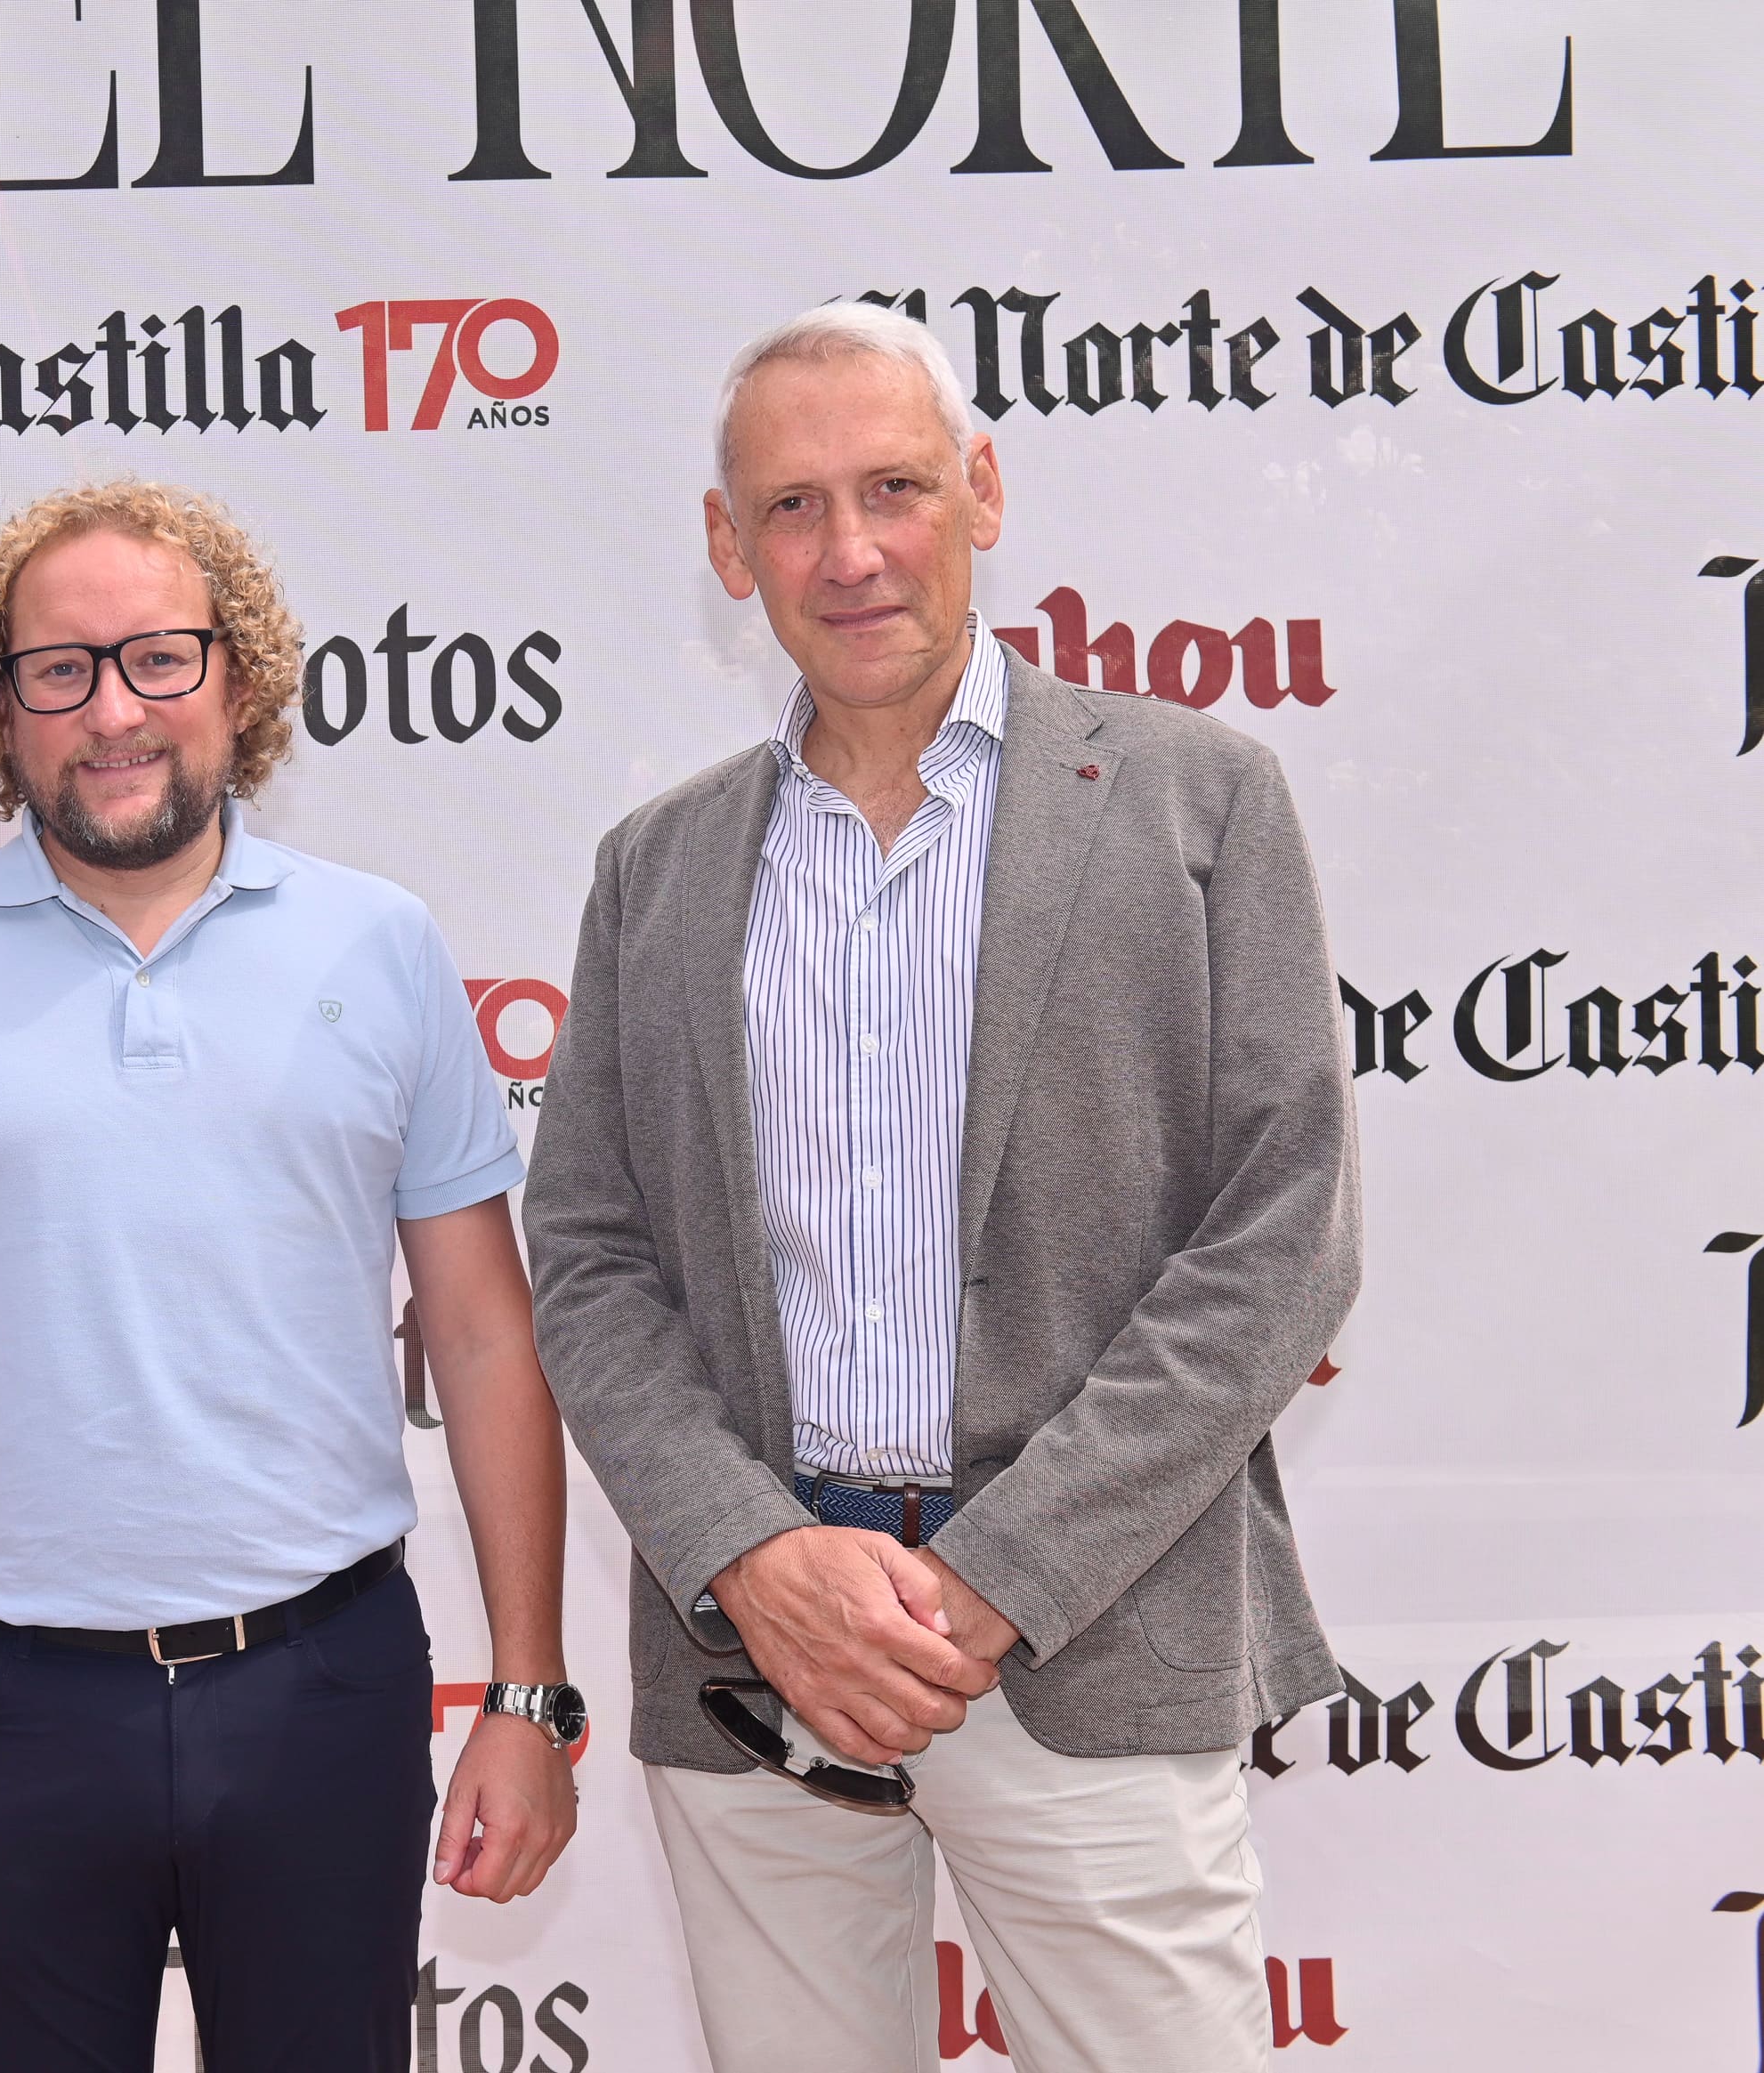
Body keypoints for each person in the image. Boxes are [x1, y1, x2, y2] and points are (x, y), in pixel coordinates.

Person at [522, 302, 1360, 2073]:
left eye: (892, 486)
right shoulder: (652, 867)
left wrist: (994, 1575)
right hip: (759, 1662)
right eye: (793, 507)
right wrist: (750, 1553)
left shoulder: (1199, 800)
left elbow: (1281, 1236)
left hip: (1089, 1630)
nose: (849, 550)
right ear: (723, 543)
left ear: (979, 489)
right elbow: (590, 1261)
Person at [0, 482, 582, 2071]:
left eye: (160, 659)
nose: (113, 710)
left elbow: (477, 1331)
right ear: (3, 708)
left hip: (322, 1688)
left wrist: (527, 1696)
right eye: (61, 670)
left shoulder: (380, 946)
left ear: (238, 682)